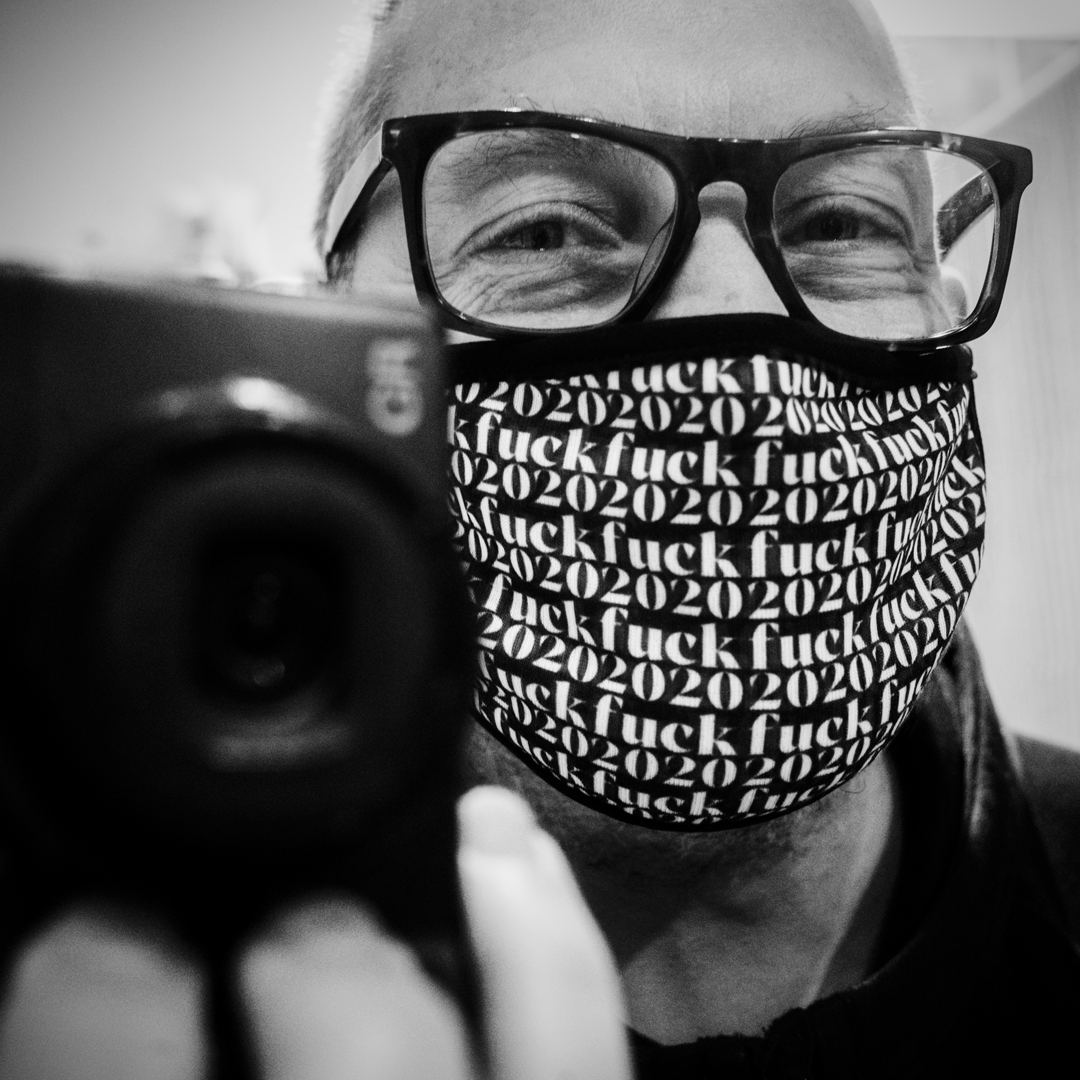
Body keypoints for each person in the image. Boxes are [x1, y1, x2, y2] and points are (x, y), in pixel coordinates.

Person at [2, 1, 1077, 1077]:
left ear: (938, 295)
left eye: (843, 224)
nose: (737, 331)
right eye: (545, 231)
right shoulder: (107, 985)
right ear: (338, 327)